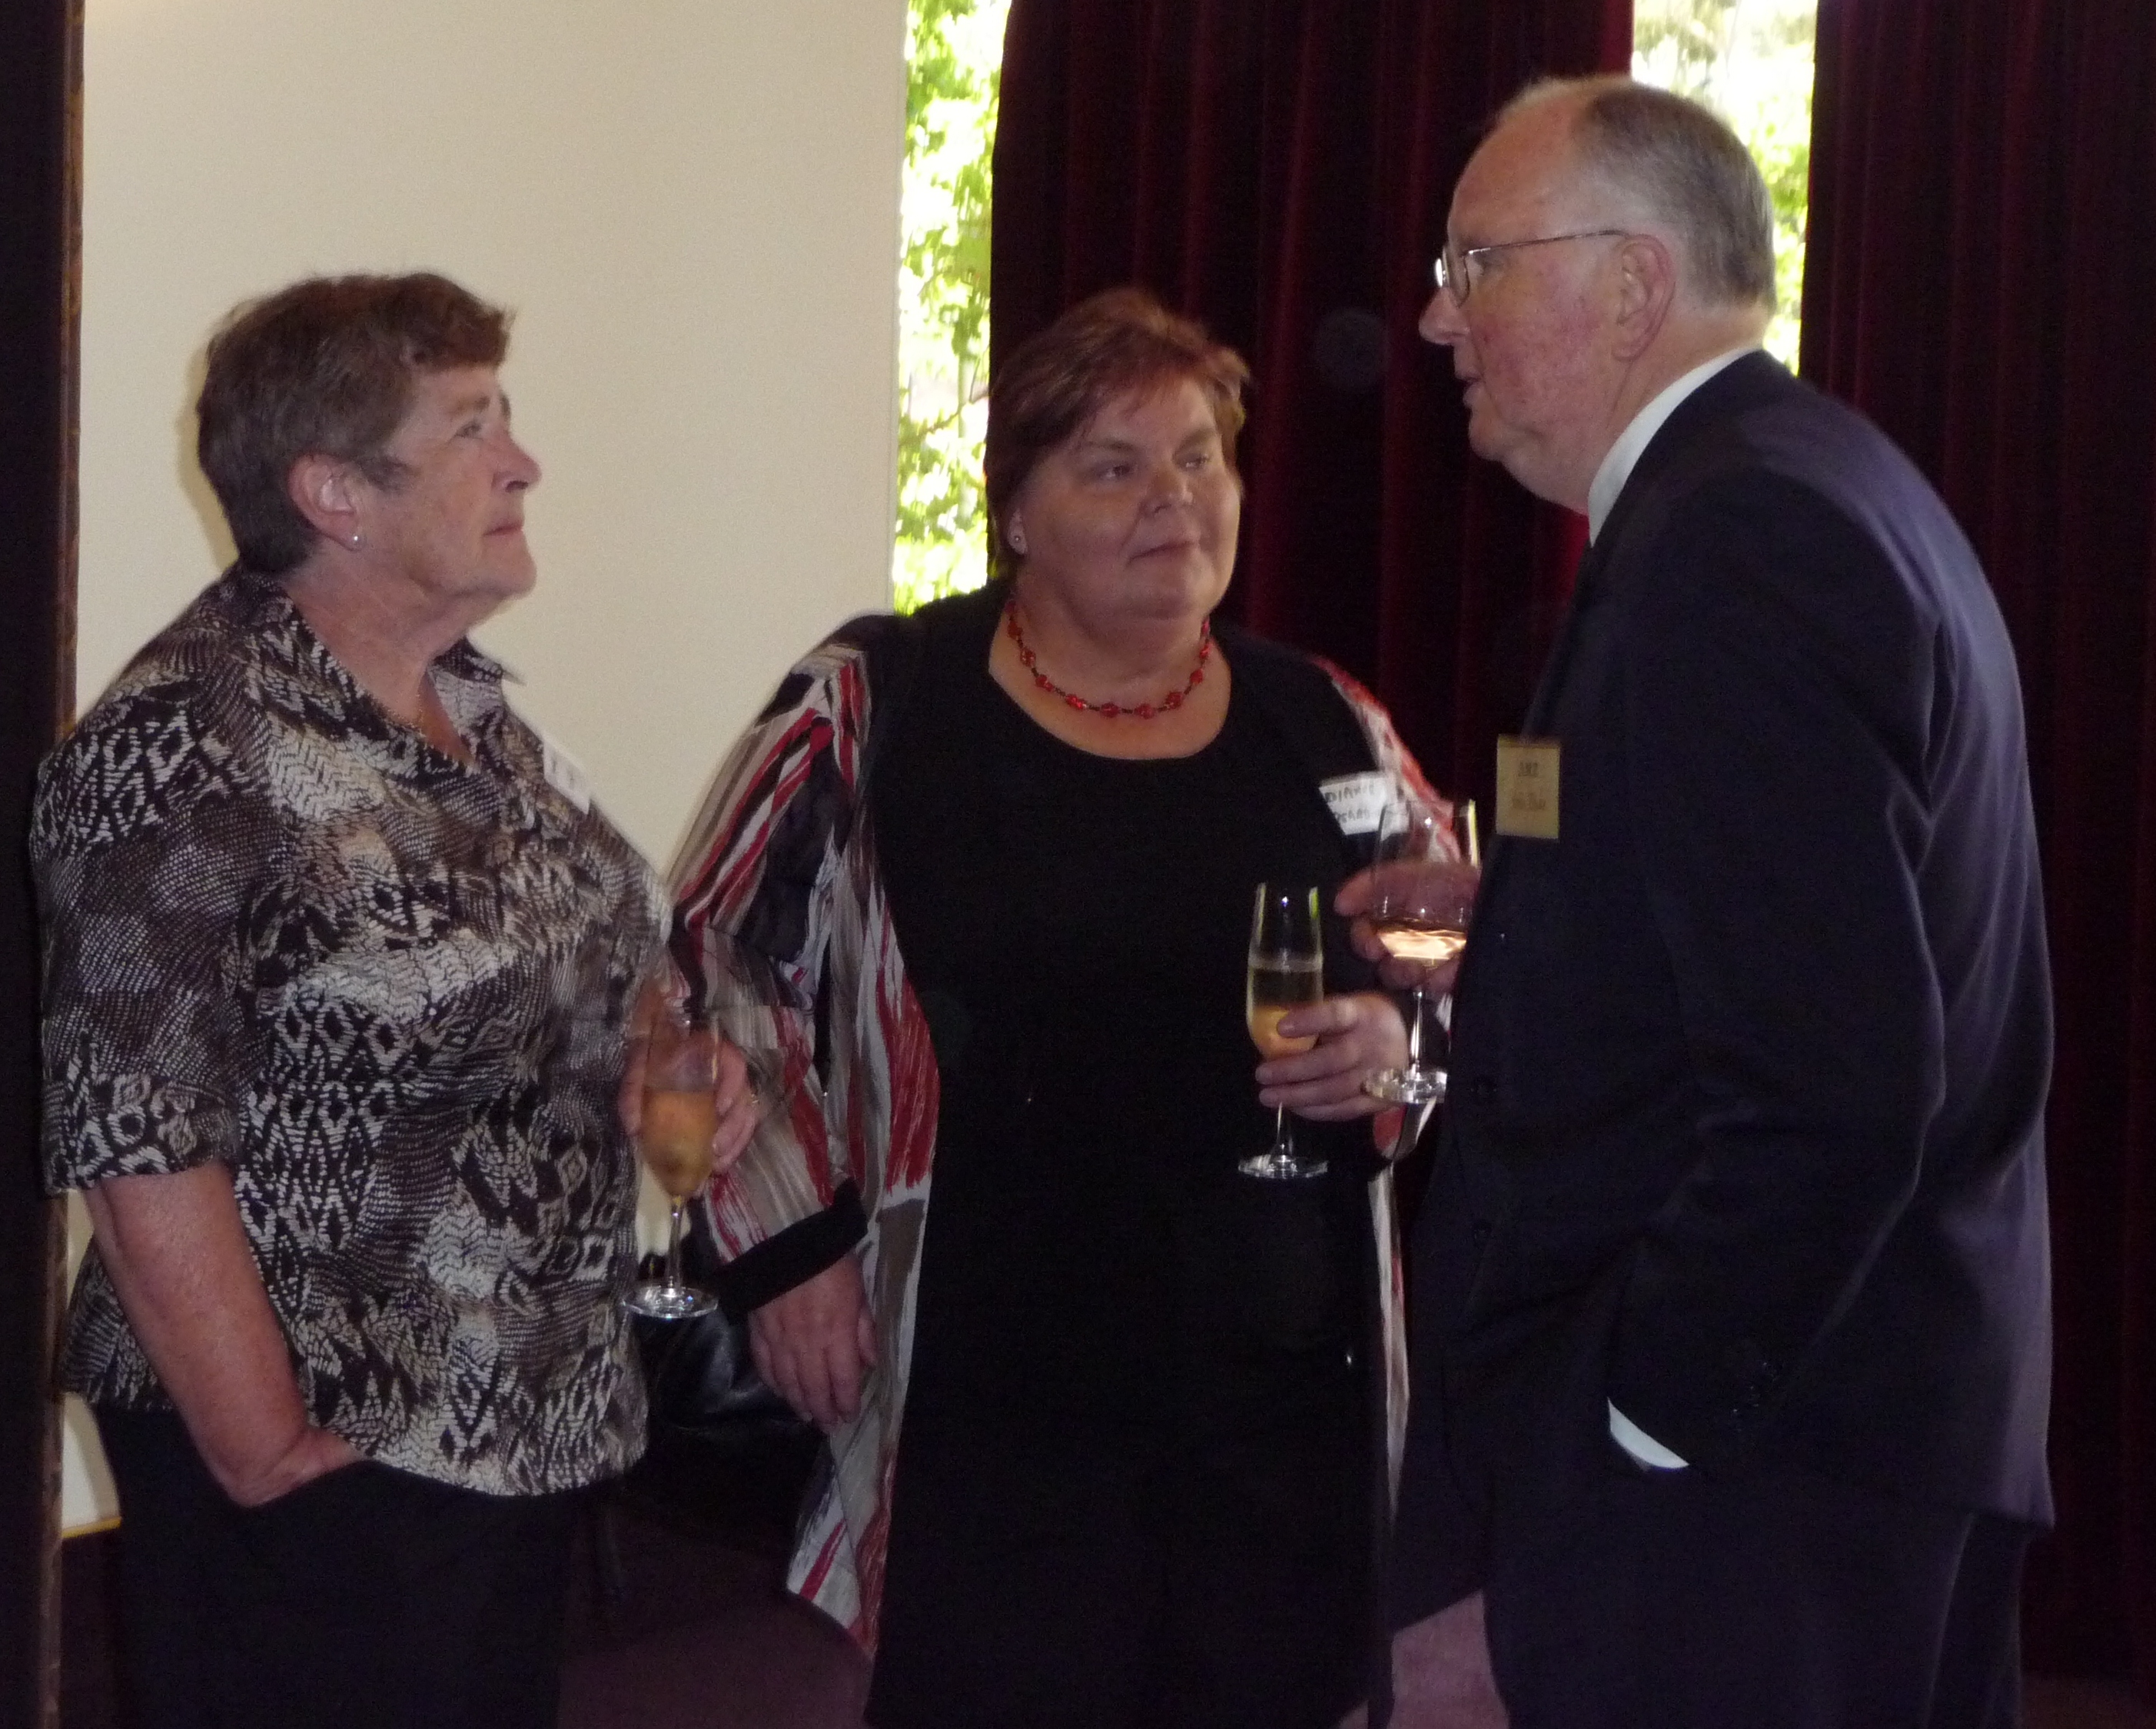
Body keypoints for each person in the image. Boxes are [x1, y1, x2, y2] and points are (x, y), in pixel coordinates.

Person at [1359, 75, 2053, 1728]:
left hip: (1749, 1472)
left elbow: (1840, 1084)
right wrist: (1526, 916)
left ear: (1630, 285)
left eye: (1474, 263)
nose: (1435, 317)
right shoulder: (1805, 482)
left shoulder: (1736, 536)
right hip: (1839, 1430)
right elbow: (1785, 933)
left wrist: (1639, 1429)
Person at [672, 287, 1458, 1728]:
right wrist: (787, 1246)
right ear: (1017, 513)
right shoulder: (879, 705)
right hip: (992, 1368)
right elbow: (711, 965)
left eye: (1199, 457)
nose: (1174, 498)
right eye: (1114, 466)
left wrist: (1400, 1052)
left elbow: (1442, 959)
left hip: (1276, 1377)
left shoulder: (1324, 719)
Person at [34, 272, 756, 1729]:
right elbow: (131, 1121)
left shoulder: (466, 706)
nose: (522, 461)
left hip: (510, 1413)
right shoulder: (183, 745)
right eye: (471, 427)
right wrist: (265, 1448)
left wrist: (661, 1049)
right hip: (327, 1440)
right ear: (334, 494)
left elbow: (595, 939)